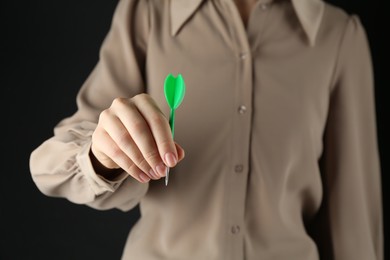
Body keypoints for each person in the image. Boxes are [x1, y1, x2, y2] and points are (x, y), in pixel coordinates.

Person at [29, 0, 383, 259]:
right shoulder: (148, 12)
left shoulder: (339, 37)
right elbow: (54, 162)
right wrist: (104, 155)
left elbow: (354, 215)